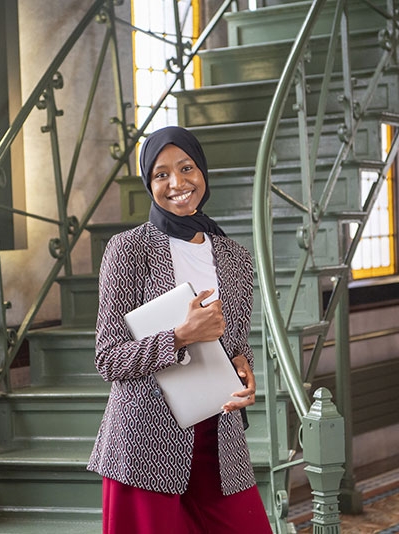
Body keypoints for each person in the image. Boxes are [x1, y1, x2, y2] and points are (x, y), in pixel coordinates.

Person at [87, 126, 273, 533]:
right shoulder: (128, 250)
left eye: (186, 168)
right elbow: (107, 358)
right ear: (148, 183)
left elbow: (236, 344)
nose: (177, 183)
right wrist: (178, 337)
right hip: (144, 444)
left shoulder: (236, 258)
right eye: (161, 174)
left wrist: (244, 367)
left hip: (219, 439)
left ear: (202, 171)